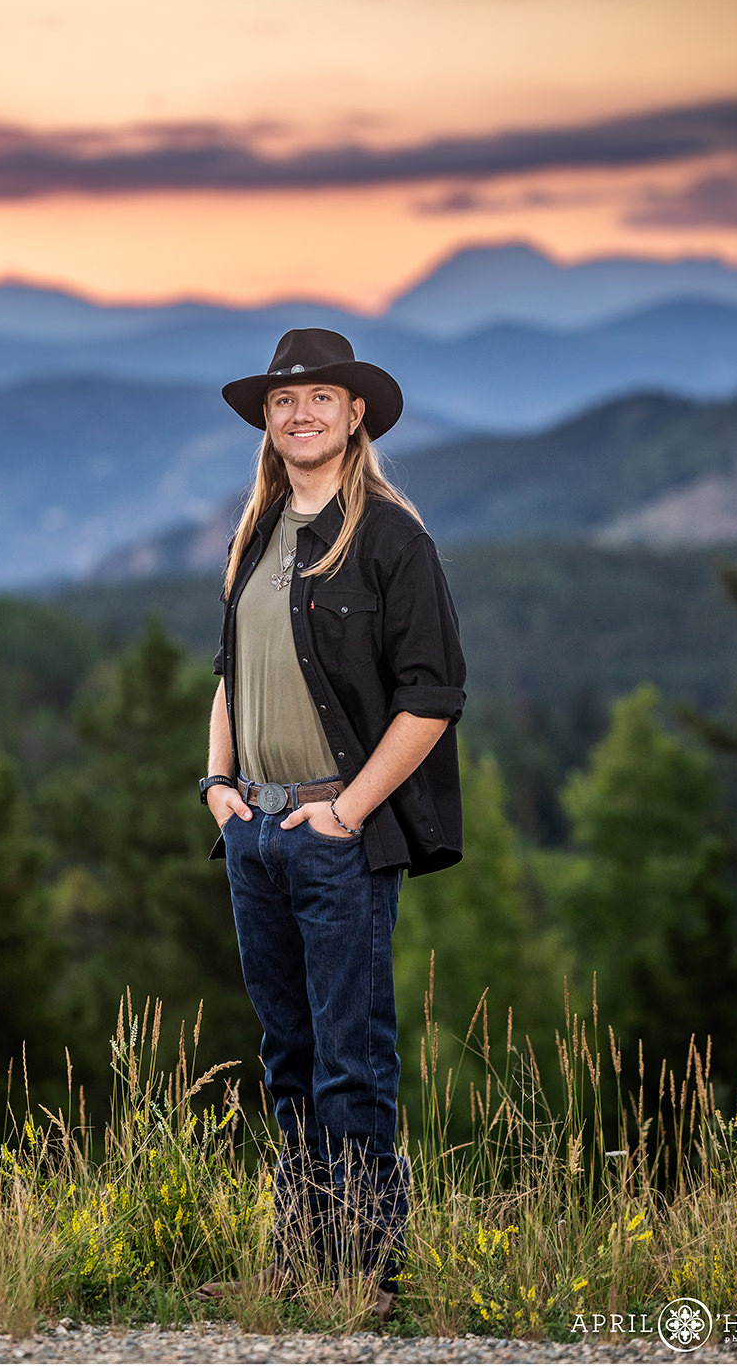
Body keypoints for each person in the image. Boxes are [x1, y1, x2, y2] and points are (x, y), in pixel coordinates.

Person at [196, 328, 465, 1323]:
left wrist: (347, 812)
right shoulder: (259, 529)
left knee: (353, 1056)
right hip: (253, 832)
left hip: (335, 836)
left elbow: (434, 697)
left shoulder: (393, 538)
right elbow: (232, 670)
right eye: (281, 401)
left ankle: (374, 1277)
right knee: (287, 1057)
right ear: (266, 423)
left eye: (318, 397)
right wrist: (219, 785)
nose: (298, 413)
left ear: (355, 414)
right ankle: (296, 1263)